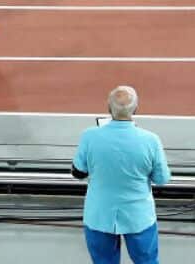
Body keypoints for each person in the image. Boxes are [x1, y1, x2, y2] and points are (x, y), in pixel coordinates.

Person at [71, 86, 171, 264]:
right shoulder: (151, 140)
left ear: (109, 109)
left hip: (99, 215)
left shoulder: (89, 136)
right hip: (138, 216)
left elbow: (78, 173)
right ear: (135, 109)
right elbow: (162, 179)